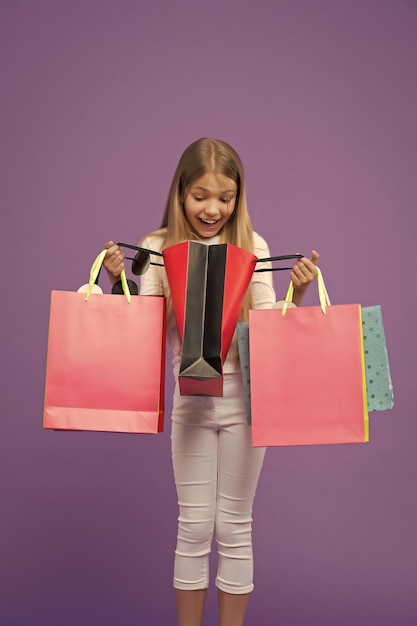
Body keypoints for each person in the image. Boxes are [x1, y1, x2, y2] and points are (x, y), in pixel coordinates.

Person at [103, 138, 319, 626]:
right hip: (192, 403)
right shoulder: (158, 248)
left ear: (239, 197)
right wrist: (118, 282)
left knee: (235, 527)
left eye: (226, 197)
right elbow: (145, 327)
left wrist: (297, 291)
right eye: (201, 195)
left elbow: (270, 329)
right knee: (195, 526)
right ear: (181, 193)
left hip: (247, 402)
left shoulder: (251, 245)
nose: (213, 208)